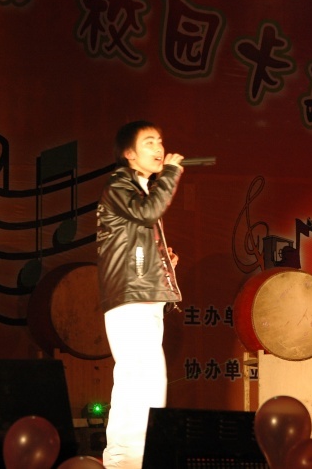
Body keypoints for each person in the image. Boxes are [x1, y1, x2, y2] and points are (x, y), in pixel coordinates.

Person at [96, 120, 184, 468]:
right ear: (129, 154)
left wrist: (163, 263)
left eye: (160, 141)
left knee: (149, 382)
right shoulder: (119, 184)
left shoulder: (140, 189)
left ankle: (139, 458)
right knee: (137, 379)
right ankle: (123, 461)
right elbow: (148, 213)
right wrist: (171, 174)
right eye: (149, 142)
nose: (159, 148)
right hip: (130, 297)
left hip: (143, 296)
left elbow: (138, 238)